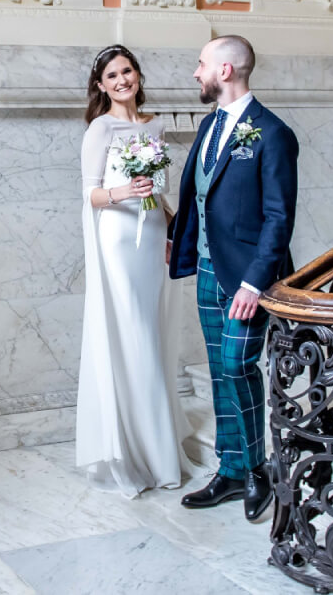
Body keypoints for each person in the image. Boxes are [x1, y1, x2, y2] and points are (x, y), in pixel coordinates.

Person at [167, 35, 299, 521]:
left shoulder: (272, 133)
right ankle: (230, 470)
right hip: (205, 268)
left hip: (248, 280)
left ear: (225, 70)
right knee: (220, 369)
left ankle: (258, 470)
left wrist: (253, 283)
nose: (194, 72)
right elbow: (201, 196)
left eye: (200, 64)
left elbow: (278, 218)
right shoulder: (209, 126)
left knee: (239, 364)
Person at [76, 44, 195, 498]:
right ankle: (136, 452)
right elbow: (90, 195)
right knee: (132, 334)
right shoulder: (99, 128)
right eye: (112, 75)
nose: (122, 80)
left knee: (152, 330)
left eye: (127, 71)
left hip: (149, 242)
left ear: (138, 76)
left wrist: (170, 231)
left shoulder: (154, 126)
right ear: (102, 86)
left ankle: (155, 443)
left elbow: (158, 192)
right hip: (117, 240)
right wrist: (122, 190)